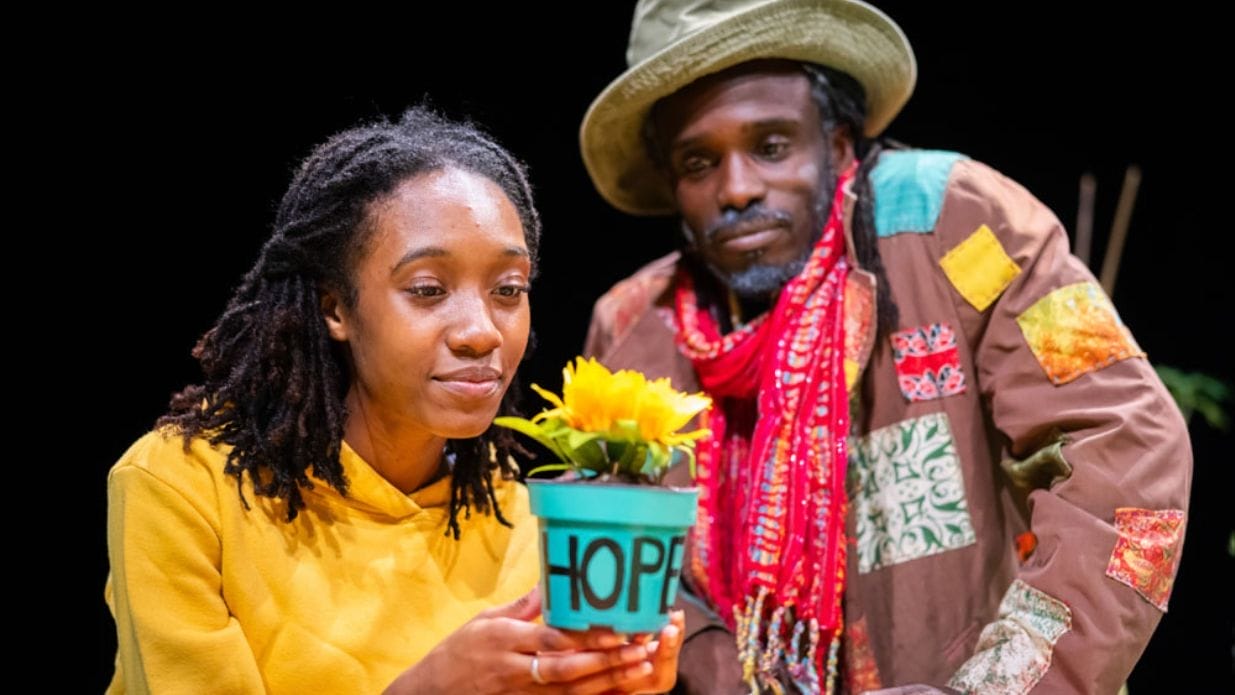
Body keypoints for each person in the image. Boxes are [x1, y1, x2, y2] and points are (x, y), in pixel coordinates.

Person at [578, 1, 1192, 693]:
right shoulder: (634, 327)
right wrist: (719, 671)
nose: (737, 187)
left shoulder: (957, 225)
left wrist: (997, 686)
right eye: (698, 161)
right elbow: (621, 566)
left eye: (772, 145)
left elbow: (1126, 440)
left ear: (837, 145)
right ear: (670, 184)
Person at [104, 106, 684, 694]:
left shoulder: (521, 519)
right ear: (336, 309)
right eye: (428, 290)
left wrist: (623, 684)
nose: (481, 331)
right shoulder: (181, 487)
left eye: (508, 290)